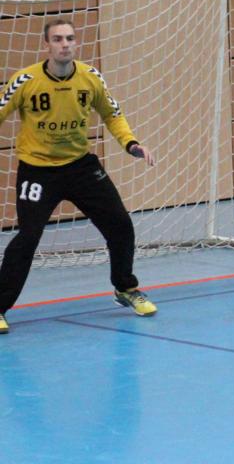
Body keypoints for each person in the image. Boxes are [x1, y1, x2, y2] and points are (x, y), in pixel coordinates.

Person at [0, 18, 157, 335]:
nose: (65, 44)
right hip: (38, 170)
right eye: (58, 39)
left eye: (70, 38)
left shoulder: (90, 77)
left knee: (120, 224)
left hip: (80, 167)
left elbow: (112, 114)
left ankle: (125, 288)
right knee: (28, 237)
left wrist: (131, 143)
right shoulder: (25, 80)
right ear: (47, 45)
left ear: (76, 43)